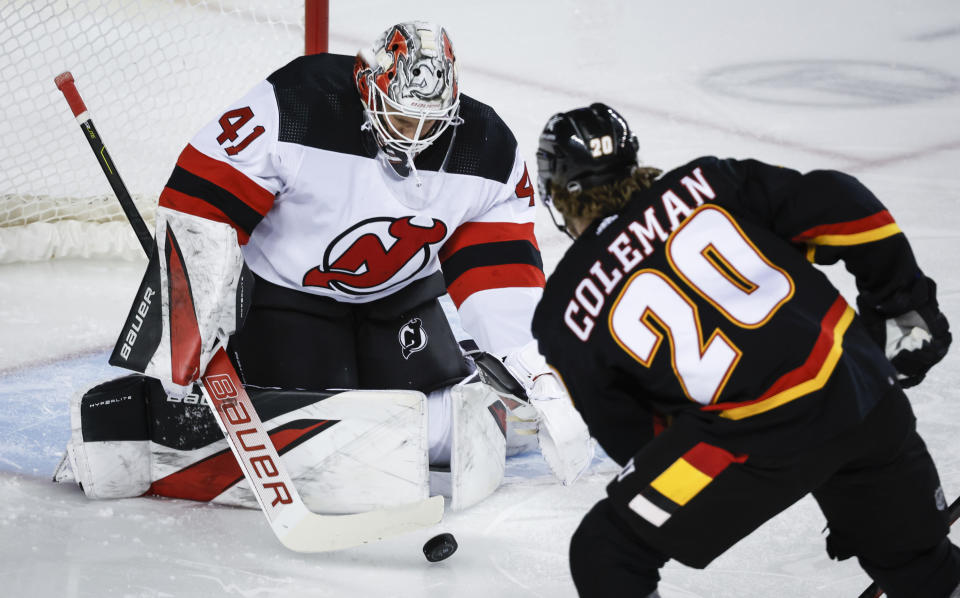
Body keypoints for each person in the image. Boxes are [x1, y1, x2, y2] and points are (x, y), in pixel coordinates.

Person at [54, 22, 593, 513]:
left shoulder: (487, 147)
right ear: (367, 84)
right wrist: (199, 307)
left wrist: (538, 373)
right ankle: (155, 425)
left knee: (436, 422)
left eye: (430, 120)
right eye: (402, 115)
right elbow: (203, 200)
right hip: (290, 300)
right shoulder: (296, 103)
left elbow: (497, 269)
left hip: (402, 301)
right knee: (327, 422)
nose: (413, 134)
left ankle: (490, 388)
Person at [531, 103, 957, 597]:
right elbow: (843, 202)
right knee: (921, 566)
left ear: (558, 194)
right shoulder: (709, 184)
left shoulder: (564, 311)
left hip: (755, 442)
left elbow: (636, 439)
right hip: (862, 390)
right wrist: (904, 303)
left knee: (606, 550)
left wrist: (759, 472)